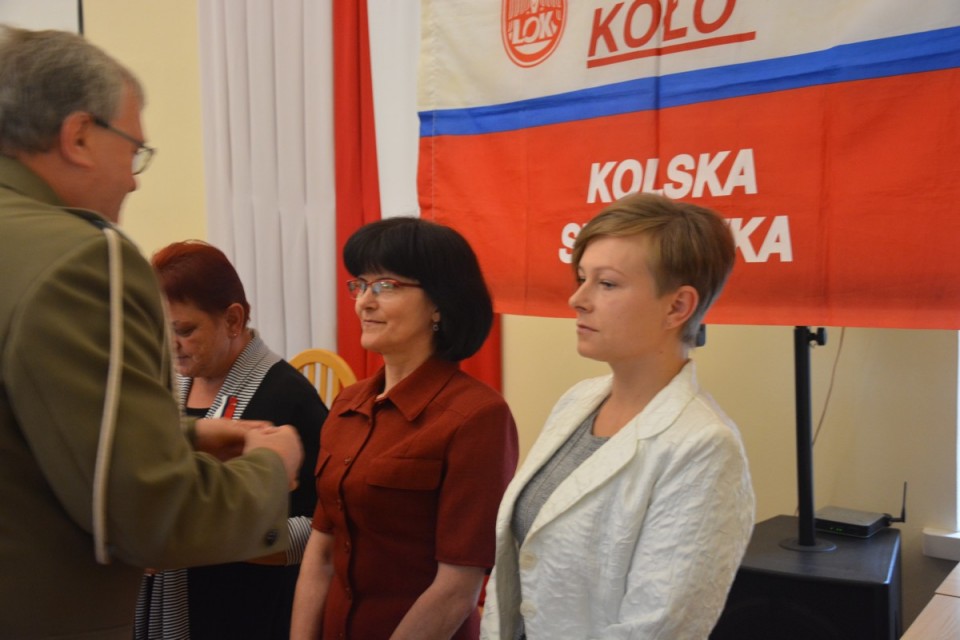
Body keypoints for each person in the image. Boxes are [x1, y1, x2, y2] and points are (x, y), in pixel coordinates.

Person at [0, 26, 302, 639]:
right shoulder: (83, 259)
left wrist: (181, 437)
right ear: (79, 136)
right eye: (134, 150)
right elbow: (148, 516)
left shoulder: (283, 388)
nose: (135, 180)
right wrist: (271, 469)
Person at [480, 192, 755, 639]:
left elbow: (657, 628)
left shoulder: (704, 446)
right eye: (582, 278)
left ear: (677, 307)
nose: (577, 299)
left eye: (606, 284)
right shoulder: (577, 401)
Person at [291, 217, 520, 640]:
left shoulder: (477, 416)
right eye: (360, 285)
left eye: (387, 286)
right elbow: (321, 551)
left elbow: (457, 588)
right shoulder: (347, 404)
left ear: (439, 304)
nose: (364, 302)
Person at [134, 240, 327, 639]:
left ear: (233, 320)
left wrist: (193, 540)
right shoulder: (171, 387)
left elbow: (321, 531)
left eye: (184, 331)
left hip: (247, 611)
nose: (170, 345)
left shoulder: (285, 397)